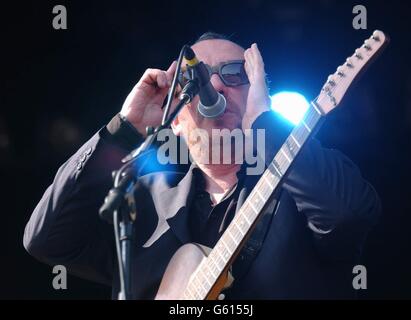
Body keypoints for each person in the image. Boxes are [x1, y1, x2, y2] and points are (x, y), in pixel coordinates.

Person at [23, 32, 381, 299]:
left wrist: (264, 123)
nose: (215, 86)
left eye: (235, 74)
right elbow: (46, 241)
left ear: (259, 94)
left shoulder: (302, 189)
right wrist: (125, 128)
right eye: (195, 80)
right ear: (175, 120)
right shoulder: (141, 205)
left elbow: (349, 212)